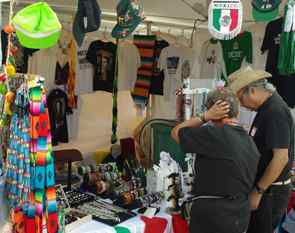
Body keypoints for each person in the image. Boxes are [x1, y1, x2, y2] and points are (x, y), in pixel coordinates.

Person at [171, 88, 260, 233]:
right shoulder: (249, 141)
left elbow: (175, 133)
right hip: (240, 215)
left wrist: (204, 116)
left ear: (213, 111)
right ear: (237, 112)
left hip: (214, 217)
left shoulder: (214, 135)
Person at [228, 66, 294, 233]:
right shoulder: (265, 108)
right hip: (265, 188)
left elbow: (280, 158)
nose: (242, 105)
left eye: (241, 99)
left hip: (270, 192)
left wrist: (258, 191)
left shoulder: (275, 111)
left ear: (252, 91)